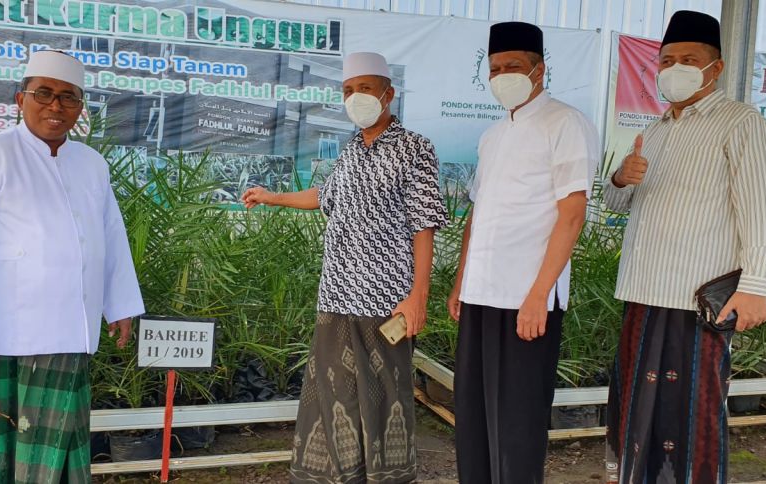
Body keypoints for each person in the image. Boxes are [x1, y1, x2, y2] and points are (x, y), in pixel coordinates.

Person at [242, 52, 448, 484]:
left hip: (386, 300)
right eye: (348, 90)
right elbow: (325, 197)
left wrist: (418, 296)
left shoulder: (415, 148)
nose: (356, 97)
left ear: (388, 94)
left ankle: (385, 476)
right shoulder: (351, 149)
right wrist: (272, 196)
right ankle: (341, 476)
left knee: (385, 396)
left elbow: (424, 224)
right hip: (337, 296)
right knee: (334, 394)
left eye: (365, 89)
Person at [0, 50, 145, 483]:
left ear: (80, 108)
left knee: (60, 441)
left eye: (68, 97)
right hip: (1, 331)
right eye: (44, 94)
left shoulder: (91, 163)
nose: (55, 105)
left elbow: (111, 236)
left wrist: (120, 305)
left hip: (69, 328)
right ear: (21, 99)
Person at [603, 10, 766, 484]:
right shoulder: (655, 130)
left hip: (697, 301)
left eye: (688, 59)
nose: (674, 68)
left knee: (690, 414)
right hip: (643, 292)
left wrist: (754, 285)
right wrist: (620, 177)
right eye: (667, 60)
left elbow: (759, 212)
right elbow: (616, 203)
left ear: (715, 68)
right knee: (636, 410)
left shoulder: (741, 123)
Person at [446, 21, 600, 484]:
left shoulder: (565, 123)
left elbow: (572, 214)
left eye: (512, 66)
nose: (502, 75)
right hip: (480, 294)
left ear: (539, 70)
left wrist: (538, 295)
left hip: (525, 299)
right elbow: (478, 215)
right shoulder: (493, 135)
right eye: (495, 68)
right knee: (473, 416)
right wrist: (460, 283)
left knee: (517, 422)